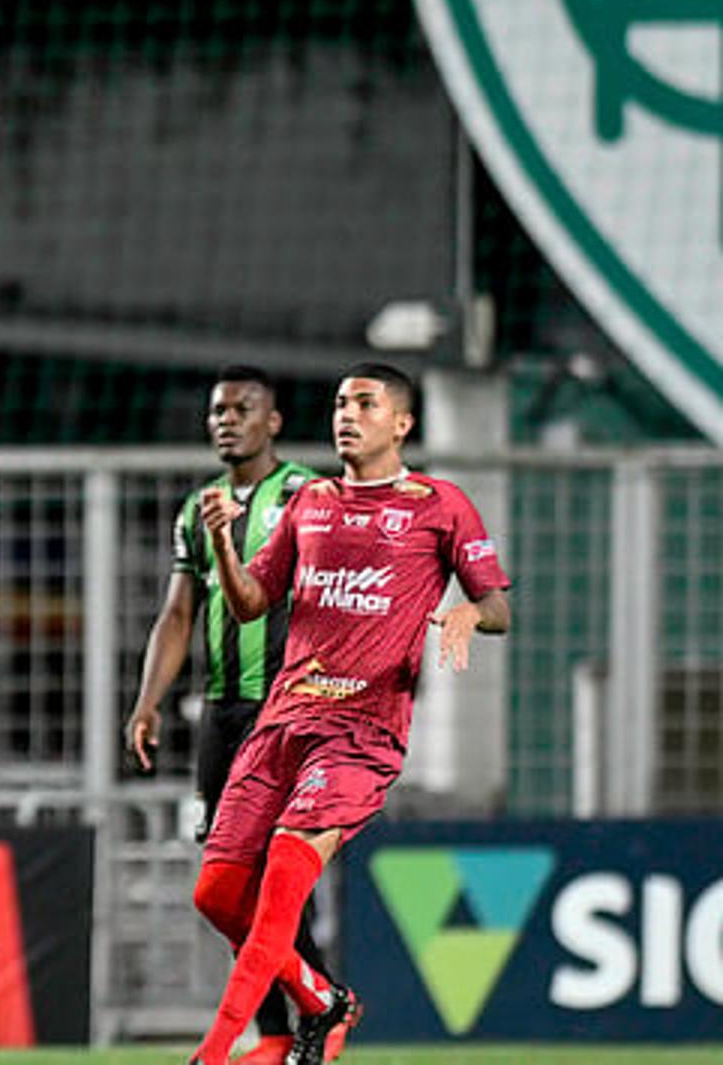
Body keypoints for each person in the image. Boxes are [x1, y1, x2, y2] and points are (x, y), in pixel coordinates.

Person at [185, 364, 512, 1065]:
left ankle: (213, 1052)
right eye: (339, 401)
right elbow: (250, 602)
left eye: (366, 402)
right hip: (280, 722)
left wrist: (466, 611)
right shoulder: (310, 503)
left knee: (280, 888)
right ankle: (323, 1000)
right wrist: (220, 539)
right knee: (214, 894)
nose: (346, 413)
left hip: (360, 732)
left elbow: (499, 608)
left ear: (402, 424)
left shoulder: (439, 504)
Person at [124, 366, 340, 1064]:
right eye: (218, 409)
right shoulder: (200, 507)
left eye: (243, 408)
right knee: (226, 882)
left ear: (272, 421)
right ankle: (290, 1021)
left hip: (286, 711)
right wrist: (148, 699)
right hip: (219, 714)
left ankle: (308, 1023)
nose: (227, 419)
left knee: (280, 873)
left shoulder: (309, 494)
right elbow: (178, 611)